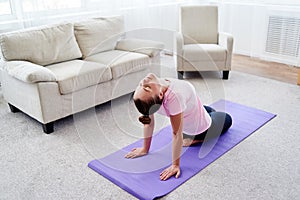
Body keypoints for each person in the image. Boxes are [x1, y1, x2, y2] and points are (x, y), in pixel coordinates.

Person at [124, 73, 232, 181]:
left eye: (140, 85)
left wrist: (145, 149)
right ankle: (197, 138)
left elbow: (148, 119)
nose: (144, 83)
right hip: (199, 129)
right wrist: (175, 165)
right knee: (227, 118)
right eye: (147, 88)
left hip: (188, 111)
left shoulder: (153, 93)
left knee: (210, 110)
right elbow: (176, 134)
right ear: (160, 95)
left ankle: (201, 120)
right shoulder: (174, 97)